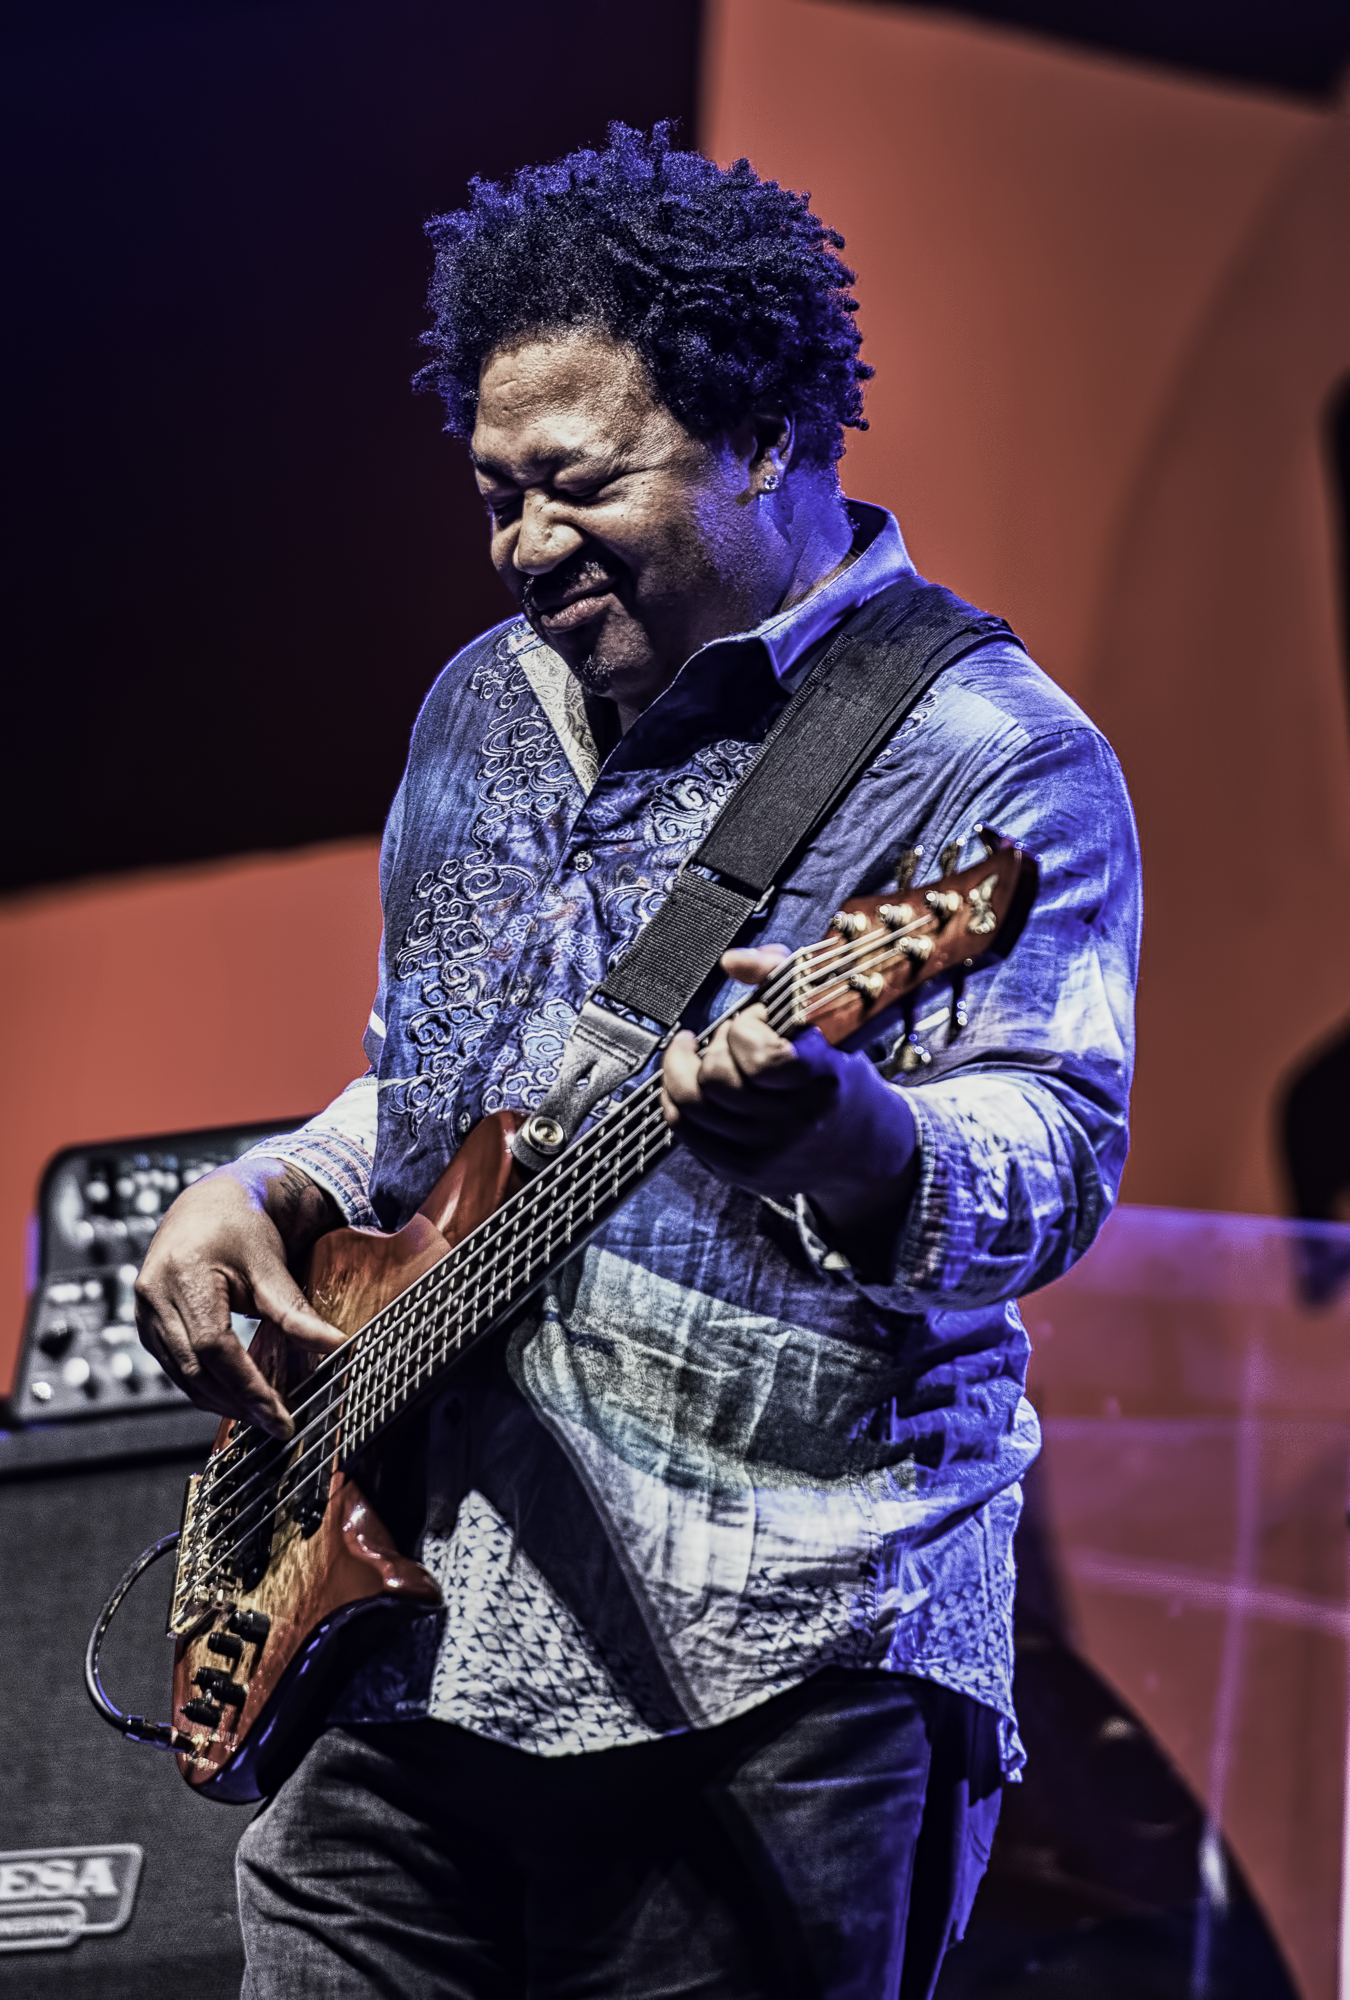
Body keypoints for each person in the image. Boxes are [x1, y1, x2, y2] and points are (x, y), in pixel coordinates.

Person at [135, 124, 1139, 2000]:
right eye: (494, 496)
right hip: (414, 1631)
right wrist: (265, 1181)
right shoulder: (481, 707)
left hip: (771, 1665)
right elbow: (439, 1076)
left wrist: (838, 1128)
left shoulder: (991, 752)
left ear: (765, 432)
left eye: (578, 486)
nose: (523, 549)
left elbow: (1051, 1158)